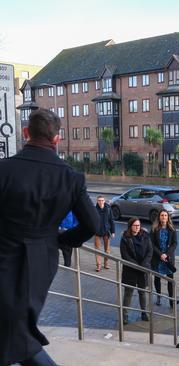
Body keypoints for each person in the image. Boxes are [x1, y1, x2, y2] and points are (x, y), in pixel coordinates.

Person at [0, 109, 99, 366]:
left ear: (25, 133)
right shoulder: (71, 177)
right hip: (42, 261)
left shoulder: (4, 169)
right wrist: (63, 240)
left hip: (4, 253)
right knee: (14, 328)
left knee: (16, 330)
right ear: (57, 138)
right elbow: (93, 224)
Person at [120, 218, 153, 324]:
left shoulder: (145, 236)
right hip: (130, 269)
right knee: (128, 293)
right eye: (135, 225)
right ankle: (124, 315)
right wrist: (135, 265)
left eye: (138, 225)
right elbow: (125, 255)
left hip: (143, 269)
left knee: (142, 292)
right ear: (130, 226)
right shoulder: (125, 238)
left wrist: (144, 264)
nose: (137, 227)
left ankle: (144, 312)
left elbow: (150, 251)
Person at [150, 210, 178, 307]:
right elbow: (152, 244)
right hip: (157, 258)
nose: (164, 217)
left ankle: (171, 300)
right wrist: (160, 254)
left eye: (165, 215)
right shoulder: (154, 229)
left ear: (168, 217)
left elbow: (175, 243)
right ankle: (158, 297)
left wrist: (167, 254)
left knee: (170, 279)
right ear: (159, 217)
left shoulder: (172, 229)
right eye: (162, 215)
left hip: (168, 258)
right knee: (157, 278)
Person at [94, 195, 115, 272]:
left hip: (106, 232)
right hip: (97, 232)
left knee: (107, 250)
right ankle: (98, 265)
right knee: (97, 250)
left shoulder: (108, 209)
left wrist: (113, 231)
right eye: (99, 200)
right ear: (97, 201)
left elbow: (111, 221)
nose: (100, 202)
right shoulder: (94, 209)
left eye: (102, 200)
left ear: (104, 201)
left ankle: (106, 263)